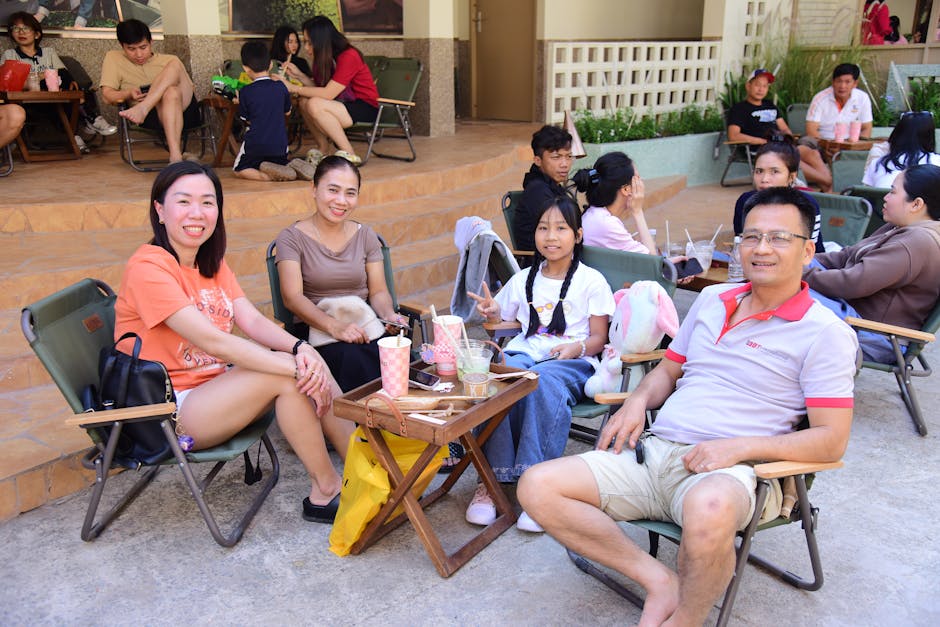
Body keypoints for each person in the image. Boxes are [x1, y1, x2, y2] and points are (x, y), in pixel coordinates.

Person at [518, 186, 857, 627]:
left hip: (735, 471)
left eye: (778, 238)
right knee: (537, 486)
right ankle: (659, 581)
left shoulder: (824, 332)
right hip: (655, 451)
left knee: (710, 509)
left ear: (808, 250)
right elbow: (667, 371)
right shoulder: (713, 300)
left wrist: (734, 449)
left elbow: (832, 441)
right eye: (751, 237)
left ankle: (687, 620)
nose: (761, 248)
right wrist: (636, 403)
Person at [115, 161, 353, 523]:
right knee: (290, 375)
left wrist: (300, 349)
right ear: (160, 210)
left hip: (214, 390)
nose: (198, 213)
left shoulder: (210, 263)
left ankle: (365, 471)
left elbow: (252, 320)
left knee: (309, 362)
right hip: (169, 410)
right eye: (184, 202)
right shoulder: (149, 268)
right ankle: (327, 491)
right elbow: (215, 342)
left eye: (208, 202)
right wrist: (294, 365)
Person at [466, 195, 614, 533]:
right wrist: (492, 312)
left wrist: (575, 347)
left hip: (573, 361)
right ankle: (490, 483)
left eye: (561, 228)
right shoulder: (524, 278)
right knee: (501, 377)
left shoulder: (592, 281)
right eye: (543, 228)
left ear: (577, 235)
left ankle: (537, 490)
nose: (551, 236)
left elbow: (598, 338)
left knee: (539, 382)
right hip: (528, 352)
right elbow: (505, 319)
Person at [275, 155, 409, 392]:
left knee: (394, 351)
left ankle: (393, 420)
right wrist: (334, 326)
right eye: (333, 190)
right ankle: (370, 425)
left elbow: (378, 291)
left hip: (363, 323)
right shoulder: (291, 238)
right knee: (353, 358)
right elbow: (292, 298)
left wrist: (390, 316)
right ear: (314, 189)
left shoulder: (365, 235)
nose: (341, 201)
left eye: (350, 193)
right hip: (317, 329)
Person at [804, 164, 940, 363]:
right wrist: (799, 260)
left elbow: (853, 283)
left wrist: (797, 273)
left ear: (916, 204)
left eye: (893, 192)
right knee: (774, 271)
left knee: (779, 287)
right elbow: (845, 256)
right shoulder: (900, 227)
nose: (885, 197)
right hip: (856, 315)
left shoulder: (916, 242)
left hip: (875, 334)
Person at [272, 16, 378, 166]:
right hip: (341, 104)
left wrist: (293, 87)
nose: (306, 48)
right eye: (305, 42)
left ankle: (350, 153)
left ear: (321, 40)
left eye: (309, 42)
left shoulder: (349, 55)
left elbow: (328, 93)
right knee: (304, 102)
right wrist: (299, 76)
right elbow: (320, 88)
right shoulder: (324, 56)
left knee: (314, 103)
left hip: (363, 106)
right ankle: (323, 149)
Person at [3, 12, 117, 141]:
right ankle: (87, 122)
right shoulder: (10, 55)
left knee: (67, 85)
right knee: (55, 91)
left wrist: (38, 77)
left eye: (26, 28)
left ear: (36, 34)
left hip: (53, 98)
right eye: (16, 28)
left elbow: (62, 74)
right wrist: (41, 76)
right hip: (27, 103)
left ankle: (84, 125)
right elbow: (8, 82)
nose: (21, 32)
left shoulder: (48, 52)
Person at [100, 19, 199, 164]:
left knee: (174, 69)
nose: (139, 54)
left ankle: (143, 107)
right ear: (122, 46)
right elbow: (107, 95)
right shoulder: (114, 58)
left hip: (185, 109)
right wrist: (128, 93)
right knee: (171, 92)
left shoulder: (169, 59)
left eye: (143, 47)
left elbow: (189, 89)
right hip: (152, 116)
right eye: (131, 49)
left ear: (151, 42)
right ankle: (176, 157)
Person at [726, 69, 832, 192]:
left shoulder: (770, 105)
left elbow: (784, 128)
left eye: (765, 86)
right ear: (748, 86)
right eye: (757, 85)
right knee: (793, 159)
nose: (761, 89)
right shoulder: (739, 109)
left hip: (781, 144)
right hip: (761, 148)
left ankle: (826, 190)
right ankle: (828, 184)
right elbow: (734, 135)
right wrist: (761, 141)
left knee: (812, 153)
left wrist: (788, 138)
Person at [232, 41, 313, 182]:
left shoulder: (245, 91)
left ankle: (267, 176)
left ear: (245, 68)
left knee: (239, 169)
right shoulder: (280, 87)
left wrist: (240, 101)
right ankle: (290, 166)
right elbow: (287, 112)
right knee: (278, 162)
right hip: (280, 146)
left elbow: (247, 119)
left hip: (256, 145)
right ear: (270, 65)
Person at [733, 141, 825, 253]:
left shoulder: (806, 205)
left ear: (792, 176)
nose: (764, 179)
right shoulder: (745, 201)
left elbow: (814, 254)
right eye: (759, 171)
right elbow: (741, 244)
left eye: (774, 171)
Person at [573, 151, 657, 254]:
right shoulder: (606, 224)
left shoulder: (595, 215)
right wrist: (638, 212)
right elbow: (652, 262)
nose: (641, 184)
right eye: (637, 179)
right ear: (626, 189)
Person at [513, 125, 574, 252]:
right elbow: (566, 229)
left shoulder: (551, 184)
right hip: (541, 263)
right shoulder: (537, 190)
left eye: (568, 156)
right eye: (556, 157)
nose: (565, 164)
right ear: (538, 160)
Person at [862, 110, 940, 187]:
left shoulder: (877, 163)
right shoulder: (937, 162)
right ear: (930, 137)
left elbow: (867, 193)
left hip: (882, 199)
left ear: (897, 134)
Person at [805, 64, 874, 142]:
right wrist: (827, 146)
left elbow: (866, 128)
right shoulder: (820, 98)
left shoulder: (863, 98)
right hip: (824, 142)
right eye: (839, 81)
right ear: (833, 82)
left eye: (847, 82)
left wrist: (857, 147)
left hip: (851, 144)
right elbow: (811, 130)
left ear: (855, 83)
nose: (842, 86)